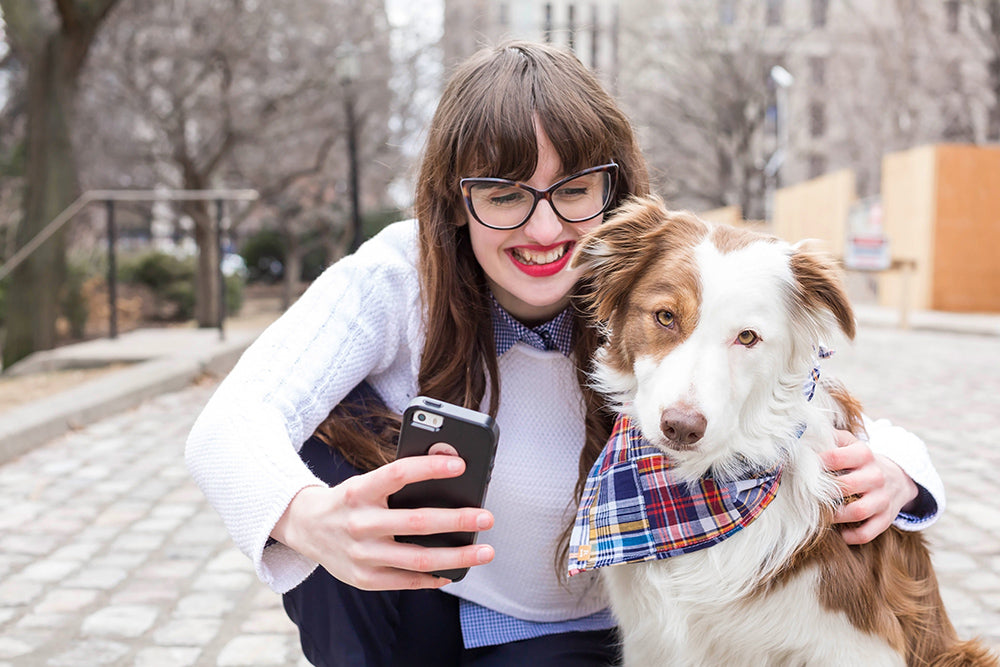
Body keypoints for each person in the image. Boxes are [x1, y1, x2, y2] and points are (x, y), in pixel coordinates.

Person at [186, 41, 944, 666]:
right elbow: (232, 420)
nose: (545, 231)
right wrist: (309, 516)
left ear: (610, 191)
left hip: (569, 632)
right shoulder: (395, 280)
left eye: (573, 189)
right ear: (454, 197)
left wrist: (904, 469)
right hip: (416, 612)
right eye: (506, 193)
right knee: (322, 458)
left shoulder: (652, 270)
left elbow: (784, 384)